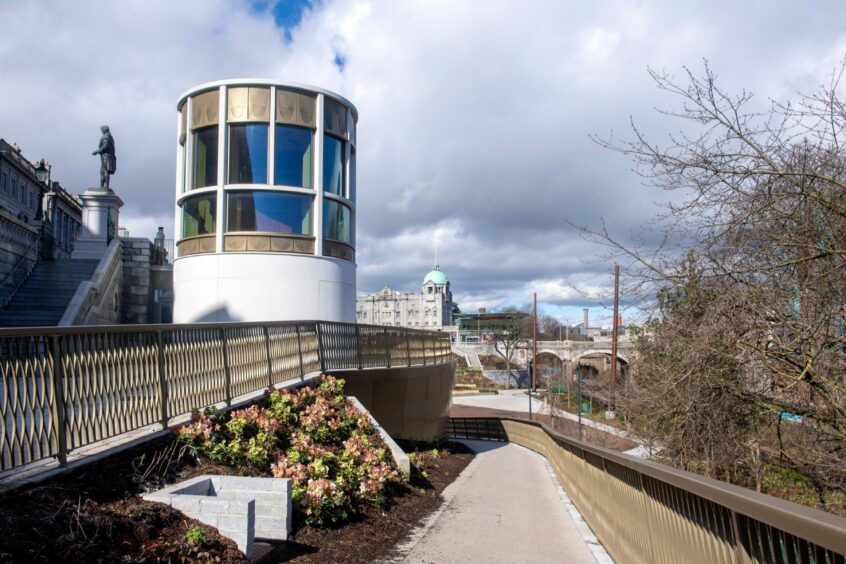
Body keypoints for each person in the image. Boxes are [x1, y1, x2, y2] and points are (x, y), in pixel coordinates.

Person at [91, 125, 116, 189]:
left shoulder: (106, 136)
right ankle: (103, 186)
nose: (101, 131)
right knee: (103, 171)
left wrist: (97, 151)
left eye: (102, 130)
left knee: (105, 171)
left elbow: (105, 145)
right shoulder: (110, 137)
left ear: (104, 129)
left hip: (106, 156)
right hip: (108, 156)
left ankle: (104, 187)